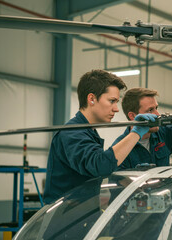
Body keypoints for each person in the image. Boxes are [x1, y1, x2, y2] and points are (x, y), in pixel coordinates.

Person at [44, 70, 156, 204]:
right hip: (62, 219)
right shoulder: (71, 133)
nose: (116, 109)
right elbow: (100, 165)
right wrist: (136, 133)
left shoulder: (88, 132)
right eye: (112, 101)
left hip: (79, 214)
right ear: (91, 99)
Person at [112, 87, 172, 169]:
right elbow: (119, 181)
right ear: (132, 116)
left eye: (156, 108)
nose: (157, 114)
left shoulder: (164, 133)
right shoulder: (118, 151)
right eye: (150, 110)